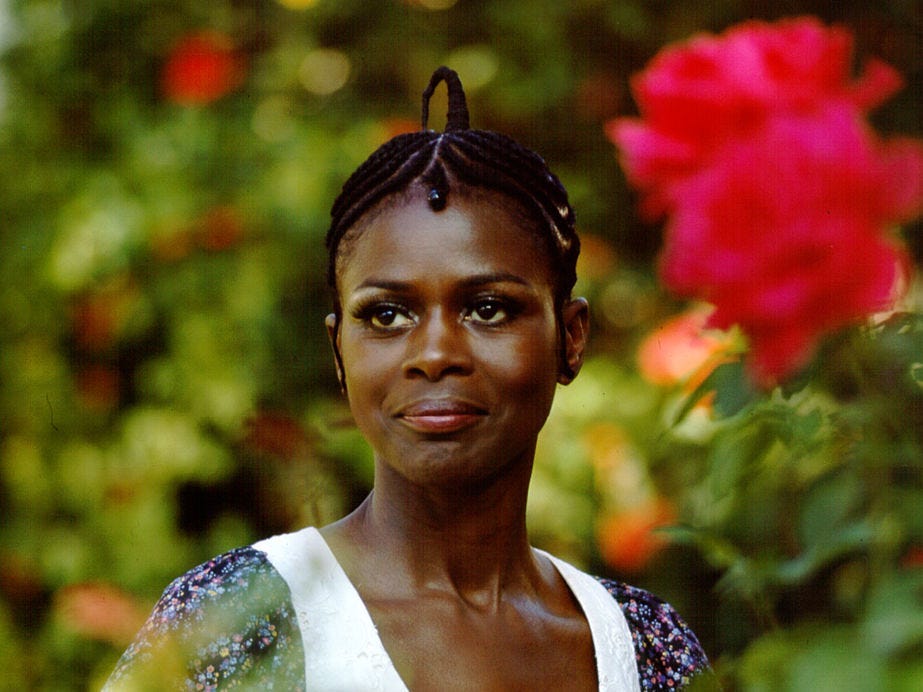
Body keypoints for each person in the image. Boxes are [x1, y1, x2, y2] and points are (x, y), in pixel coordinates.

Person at [104, 67, 712, 691]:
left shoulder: (646, 647)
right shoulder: (244, 619)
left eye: (488, 308)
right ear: (338, 352)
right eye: (387, 315)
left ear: (571, 338)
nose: (435, 353)